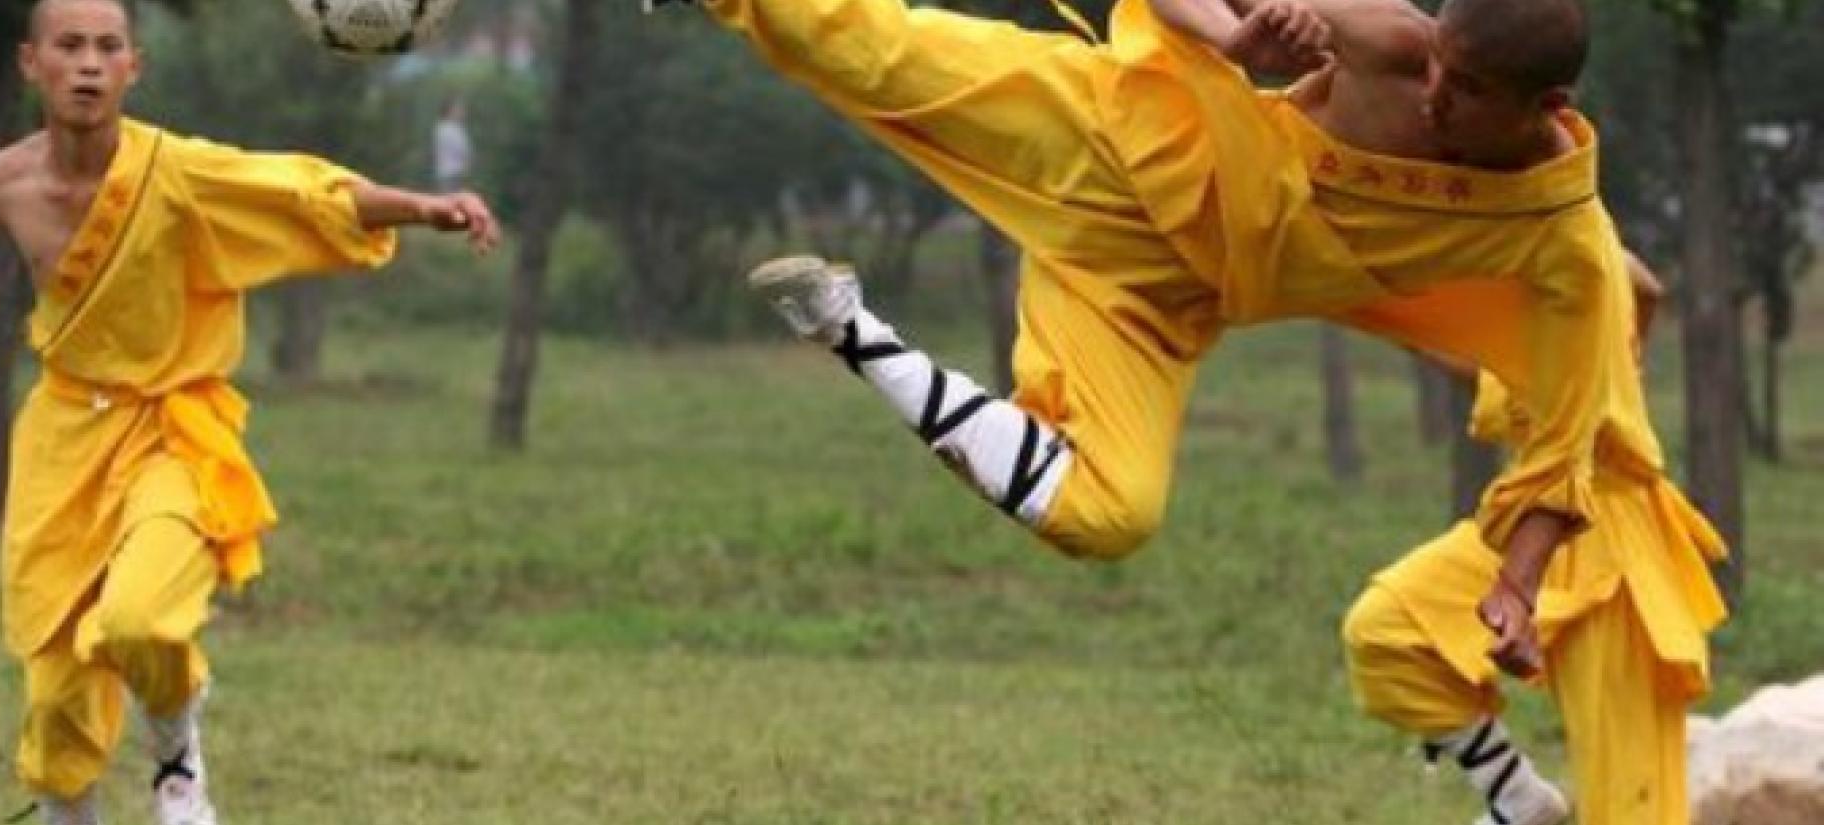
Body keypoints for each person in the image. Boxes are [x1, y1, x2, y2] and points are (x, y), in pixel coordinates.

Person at [651, 0, 1722, 820]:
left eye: (1469, 87)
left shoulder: (1561, 244)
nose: (1436, 93)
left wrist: (1519, 589)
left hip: (1153, 302)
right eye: (1439, 62)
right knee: (859, 46)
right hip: (1116, 134)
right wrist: (1235, 33)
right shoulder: (1392, 41)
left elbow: (1574, 436)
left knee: (1107, 518)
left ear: (1543, 109)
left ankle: (846, 328)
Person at [0, 2, 499, 823]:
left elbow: (304, 191)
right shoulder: (5, 180)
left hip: (172, 431)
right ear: (31, 63)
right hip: (64, 440)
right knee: (55, 690)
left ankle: (177, 753)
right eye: (69, 47)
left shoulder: (175, 169)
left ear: (132, 68)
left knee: (142, 619)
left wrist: (424, 206)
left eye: (108, 48)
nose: (88, 64)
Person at [1345, 251, 1724, 825]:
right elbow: (1447, 351)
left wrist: (1552, 204)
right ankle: (1519, 797)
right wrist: (1346, 293)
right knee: (1386, 629)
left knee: (1628, 807)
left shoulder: (1595, 323)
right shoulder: (1516, 343)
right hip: (1527, 531)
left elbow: (1646, 287)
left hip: (1614, 553)